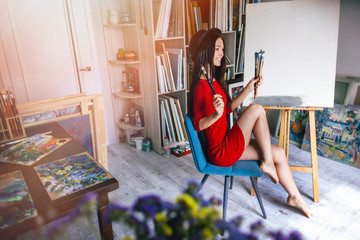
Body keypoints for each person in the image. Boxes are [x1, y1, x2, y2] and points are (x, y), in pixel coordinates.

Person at [187, 28, 313, 218]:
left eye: (223, 49)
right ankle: (268, 163)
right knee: (256, 109)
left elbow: (228, 108)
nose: (222, 54)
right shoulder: (200, 87)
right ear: (206, 50)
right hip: (221, 152)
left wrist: (248, 87)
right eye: (217, 49)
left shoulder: (212, 80)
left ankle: (295, 197)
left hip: (227, 142)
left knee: (278, 152)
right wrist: (215, 115)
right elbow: (197, 125)